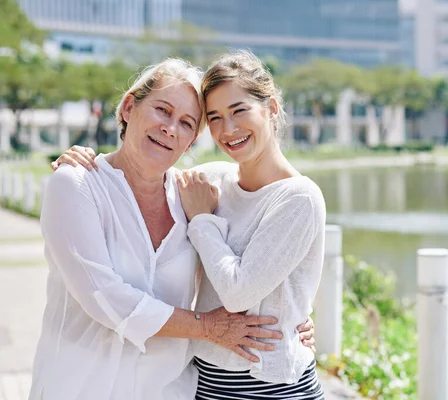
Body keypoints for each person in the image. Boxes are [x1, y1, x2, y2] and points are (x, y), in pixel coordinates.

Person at [35, 57, 314, 400]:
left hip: (173, 391)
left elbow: (267, 268)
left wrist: (294, 318)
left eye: (187, 123)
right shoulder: (79, 184)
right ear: (128, 107)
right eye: (162, 110)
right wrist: (207, 327)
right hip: (81, 388)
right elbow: (104, 297)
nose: (170, 128)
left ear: (192, 141)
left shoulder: (193, 192)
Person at [177, 50, 326, 399]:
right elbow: (143, 180)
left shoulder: (298, 198)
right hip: (207, 380)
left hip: (271, 385)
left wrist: (202, 220)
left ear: (271, 108)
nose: (227, 130)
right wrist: (87, 165)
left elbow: (238, 292)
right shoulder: (213, 180)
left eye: (238, 111)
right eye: (214, 117)